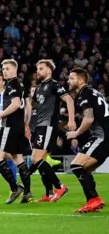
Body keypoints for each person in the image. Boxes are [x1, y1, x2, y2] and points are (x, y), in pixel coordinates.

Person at [25, 60, 75, 203]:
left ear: (49, 71)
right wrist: (27, 124)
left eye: (41, 68)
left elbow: (69, 100)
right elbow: (33, 105)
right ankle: (48, 192)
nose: (37, 71)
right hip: (40, 126)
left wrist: (71, 120)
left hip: (47, 126)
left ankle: (60, 186)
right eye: (37, 68)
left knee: (36, 159)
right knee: (41, 159)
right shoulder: (39, 87)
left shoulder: (55, 85)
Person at [66, 68, 107, 213]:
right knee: (85, 169)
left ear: (81, 80)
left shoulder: (84, 94)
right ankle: (93, 201)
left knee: (77, 166)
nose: (68, 81)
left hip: (102, 137)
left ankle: (94, 200)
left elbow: (89, 119)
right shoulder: (94, 92)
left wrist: (75, 133)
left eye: (71, 78)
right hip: (104, 135)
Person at [0, 59, 32, 204]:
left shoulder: (13, 84)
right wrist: (26, 124)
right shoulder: (20, 84)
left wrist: (0, 115)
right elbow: (28, 106)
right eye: (3, 68)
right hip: (18, 126)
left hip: (9, 126)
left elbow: (15, 104)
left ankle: (15, 188)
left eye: (7, 68)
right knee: (17, 158)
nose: (4, 71)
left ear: (15, 69)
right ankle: (27, 192)